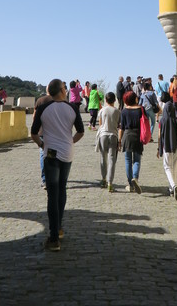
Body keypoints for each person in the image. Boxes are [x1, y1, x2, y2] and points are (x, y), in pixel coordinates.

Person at [31, 78, 84, 251]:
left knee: (52, 194)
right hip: (67, 152)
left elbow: (33, 133)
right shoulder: (72, 108)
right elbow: (81, 131)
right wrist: (70, 142)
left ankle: (54, 237)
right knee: (62, 189)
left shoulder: (43, 108)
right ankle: (59, 227)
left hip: (51, 153)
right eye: (64, 88)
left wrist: (42, 145)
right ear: (61, 90)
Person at [157, 92, 177, 200]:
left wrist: (158, 148)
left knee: (167, 167)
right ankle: (171, 190)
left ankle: (174, 186)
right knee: (174, 167)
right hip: (176, 146)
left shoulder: (162, 121)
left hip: (166, 147)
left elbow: (160, 136)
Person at [118, 90, 144, 194]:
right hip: (138, 135)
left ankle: (130, 184)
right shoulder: (141, 110)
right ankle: (135, 178)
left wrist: (119, 140)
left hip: (127, 136)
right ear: (135, 99)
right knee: (137, 160)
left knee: (128, 160)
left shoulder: (124, 111)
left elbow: (122, 128)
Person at [96, 91, 120, 192]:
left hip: (103, 135)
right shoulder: (117, 111)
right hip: (113, 135)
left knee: (103, 157)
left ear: (105, 100)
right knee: (112, 159)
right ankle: (110, 182)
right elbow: (118, 125)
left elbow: (100, 124)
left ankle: (103, 179)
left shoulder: (102, 110)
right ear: (115, 100)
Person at [33, 91, 53, 189]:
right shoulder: (57, 101)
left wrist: (35, 129)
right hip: (53, 132)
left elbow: (34, 116)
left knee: (43, 154)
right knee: (51, 154)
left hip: (41, 132)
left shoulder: (40, 100)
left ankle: (45, 180)